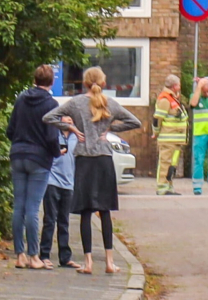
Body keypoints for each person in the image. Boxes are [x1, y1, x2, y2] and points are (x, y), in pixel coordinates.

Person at [43, 67, 141, 275]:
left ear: (84, 83)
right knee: (104, 211)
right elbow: (135, 121)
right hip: (104, 159)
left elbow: (48, 118)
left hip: (84, 159)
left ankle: (88, 263)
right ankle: (109, 261)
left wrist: (70, 128)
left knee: (86, 212)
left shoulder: (75, 103)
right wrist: (110, 129)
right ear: (103, 83)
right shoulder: (110, 103)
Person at [7, 65, 63, 270]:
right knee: (32, 208)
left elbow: (10, 130)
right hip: (39, 159)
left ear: (34, 79)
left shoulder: (21, 99)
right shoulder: (51, 104)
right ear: (51, 82)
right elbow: (50, 136)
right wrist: (57, 152)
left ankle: (19, 255)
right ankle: (33, 256)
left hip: (18, 154)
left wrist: (21, 143)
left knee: (18, 206)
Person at [39, 128, 80, 270]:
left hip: (69, 184)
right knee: (50, 219)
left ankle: (65, 257)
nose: (69, 120)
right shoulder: (53, 133)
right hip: (52, 181)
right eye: (66, 116)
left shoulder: (77, 136)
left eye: (71, 117)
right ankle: (44, 255)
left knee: (64, 221)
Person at [152, 74, 189, 195]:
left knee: (172, 165)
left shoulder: (173, 98)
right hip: (168, 139)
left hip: (176, 140)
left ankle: (169, 185)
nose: (180, 86)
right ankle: (162, 187)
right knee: (165, 163)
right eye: (178, 84)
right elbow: (157, 118)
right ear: (174, 86)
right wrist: (155, 132)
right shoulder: (165, 99)